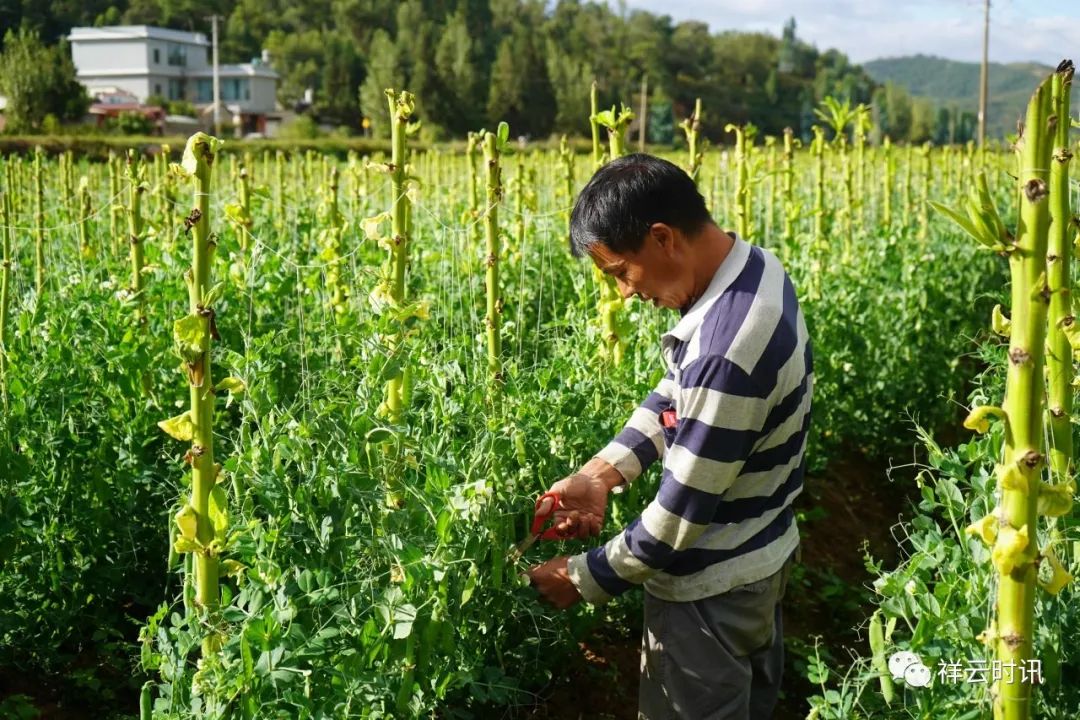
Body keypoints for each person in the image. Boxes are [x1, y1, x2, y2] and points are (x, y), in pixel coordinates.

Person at [525, 153, 812, 720]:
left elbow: (676, 521)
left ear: (662, 238)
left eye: (619, 272)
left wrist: (580, 578)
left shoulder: (728, 349)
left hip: (712, 597)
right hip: (758, 559)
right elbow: (680, 395)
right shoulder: (752, 270)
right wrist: (600, 474)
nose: (625, 294)